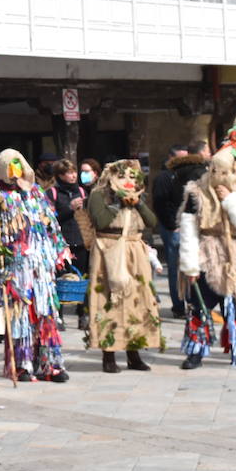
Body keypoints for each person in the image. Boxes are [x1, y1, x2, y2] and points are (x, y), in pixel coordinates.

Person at [179, 110, 236, 369]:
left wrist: (230, 199)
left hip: (231, 253)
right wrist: (190, 265)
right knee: (199, 303)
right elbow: (188, 228)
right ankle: (196, 350)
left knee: (233, 304)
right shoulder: (196, 193)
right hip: (206, 250)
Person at [0, 149, 71, 383]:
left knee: (45, 313)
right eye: (11, 167)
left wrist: (61, 248)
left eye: (19, 167)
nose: (15, 173)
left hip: (41, 266)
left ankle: (50, 364)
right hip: (16, 266)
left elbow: (51, 224)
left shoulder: (36, 193)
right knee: (21, 317)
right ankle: (22, 364)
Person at [85, 159, 163, 372]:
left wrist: (137, 203)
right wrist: (118, 202)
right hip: (108, 251)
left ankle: (134, 352)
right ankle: (108, 354)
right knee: (108, 301)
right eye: (122, 177)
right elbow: (100, 221)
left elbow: (152, 222)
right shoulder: (98, 195)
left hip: (134, 252)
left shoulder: (137, 197)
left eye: (132, 177)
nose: (127, 181)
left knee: (135, 302)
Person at [153, 144, 196, 318]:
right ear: (172, 158)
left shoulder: (185, 175)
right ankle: (178, 305)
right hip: (173, 228)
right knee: (175, 268)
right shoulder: (164, 178)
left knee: (190, 266)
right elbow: (160, 204)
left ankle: (192, 303)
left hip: (188, 226)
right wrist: (172, 225)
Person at [47, 159, 88, 274]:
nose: (73, 175)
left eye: (74, 172)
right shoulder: (53, 192)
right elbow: (50, 219)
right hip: (62, 243)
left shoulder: (81, 191)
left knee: (82, 277)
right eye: (69, 173)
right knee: (64, 278)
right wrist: (70, 208)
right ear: (60, 175)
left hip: (81, 243)